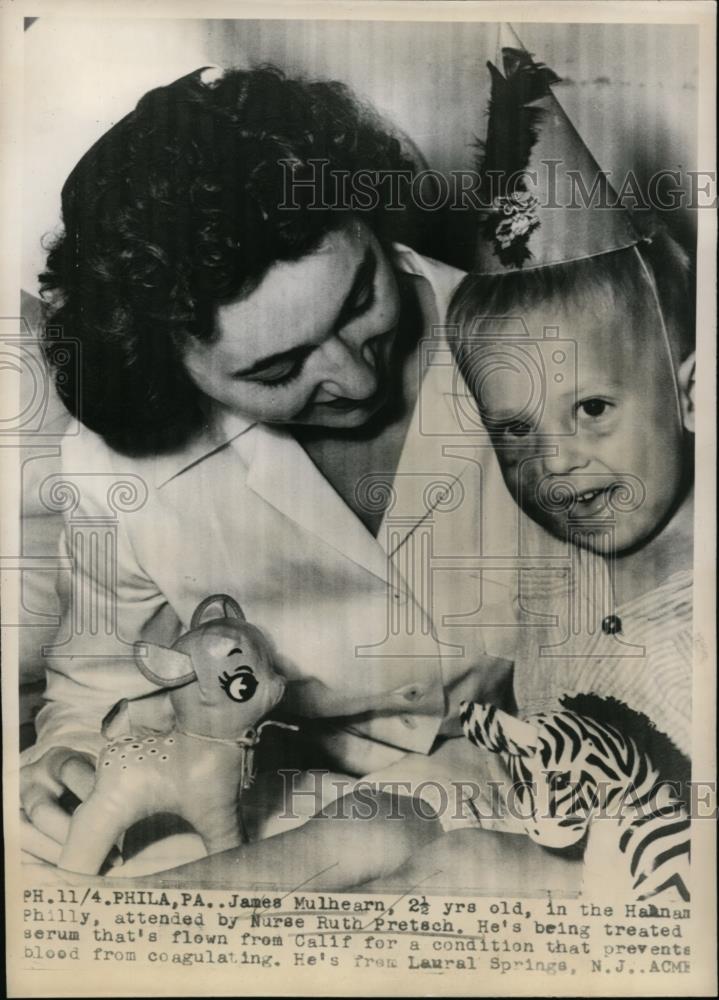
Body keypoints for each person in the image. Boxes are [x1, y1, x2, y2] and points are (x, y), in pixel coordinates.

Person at [22, 63, 556, 878]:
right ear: (172, 370)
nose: (359, 377)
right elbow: (91, 686)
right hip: (280, 809)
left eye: (359, 301)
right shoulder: (116, 471)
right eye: (277, 372)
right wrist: (75, 759)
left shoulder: (547, 342)